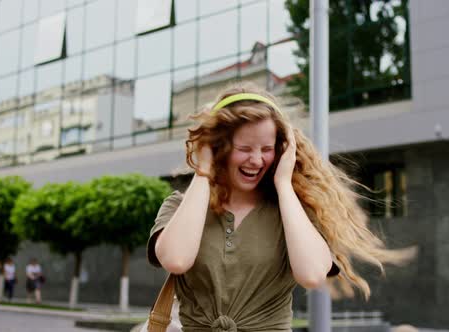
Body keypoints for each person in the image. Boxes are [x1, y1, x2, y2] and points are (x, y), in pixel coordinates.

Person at [147, 82, 413, 331]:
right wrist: (203, 170)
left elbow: (312, 274)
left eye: (267, 148)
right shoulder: (181, 206)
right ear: (219, 147)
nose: (256, 159)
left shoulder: (292, 213)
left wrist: (284, 184)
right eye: (245, 148)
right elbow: (176, 259)